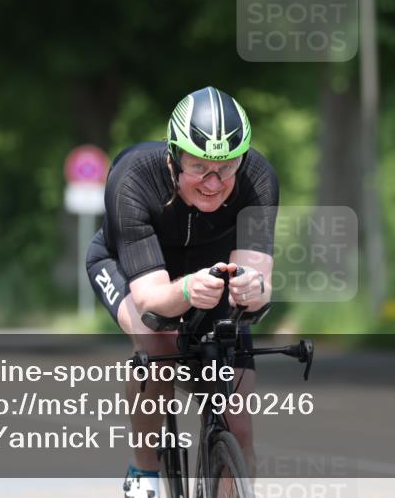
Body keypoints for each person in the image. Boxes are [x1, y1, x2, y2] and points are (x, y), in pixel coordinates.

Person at [86, 87, 278, 498]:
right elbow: (152, 298)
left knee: (238, 423)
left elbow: (260, 284)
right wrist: (189, 287)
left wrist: (251, 286)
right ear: (173, 157)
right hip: (131, 270)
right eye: (199, 167)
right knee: (158, 343)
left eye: (227, 168)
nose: (213, 182)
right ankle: (145, 470)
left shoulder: (258, 178)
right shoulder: (133, 177)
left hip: (211, 275)